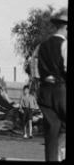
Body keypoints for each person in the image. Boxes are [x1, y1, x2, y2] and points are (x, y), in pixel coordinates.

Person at [36, 14, 67, 162]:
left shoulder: (42, 45)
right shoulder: (65, 44)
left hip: (44, 91)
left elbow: (35, 69)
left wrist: (46, 77)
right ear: (66, 27)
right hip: (61, 90)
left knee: (51, 130)